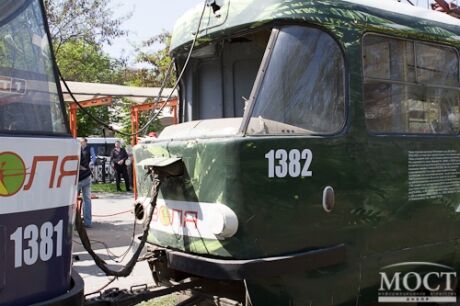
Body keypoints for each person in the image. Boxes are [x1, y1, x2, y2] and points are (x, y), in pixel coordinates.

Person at [78, 137, 92, 228]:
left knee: (72, 200)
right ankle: (88, 222)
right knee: (87, 199)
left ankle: (74, 222)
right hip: (87, 176)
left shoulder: (74, 149)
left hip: (80, 178)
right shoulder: (84, 150)